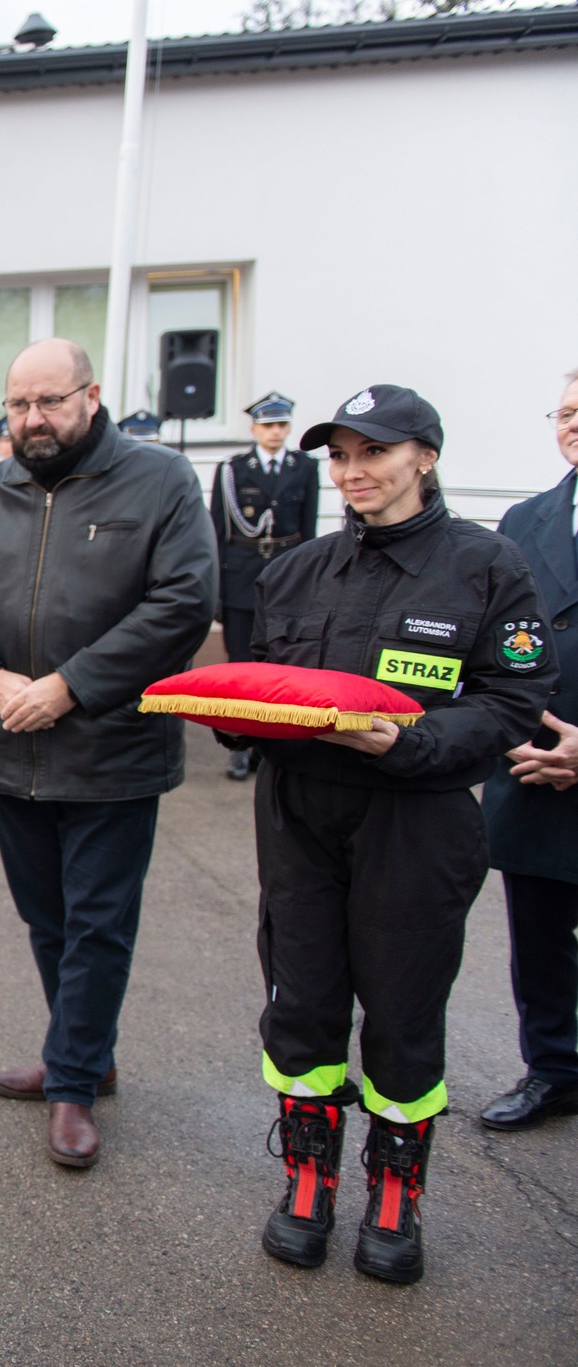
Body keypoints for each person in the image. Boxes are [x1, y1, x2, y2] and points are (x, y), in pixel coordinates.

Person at [245, 385, 555, 1284]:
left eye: (372, 453)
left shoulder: (488, 565)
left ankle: (395, 1191)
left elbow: (511, 701)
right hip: (299, 812)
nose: (352, 473)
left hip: (416, 818)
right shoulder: (295, 569)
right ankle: (308, 1179)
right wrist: (228, 716)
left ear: (425, 455)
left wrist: (412, 740)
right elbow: (261, 689)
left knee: (406, 1007)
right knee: (300, 1000)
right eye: (339, 457)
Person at [0, 337, 217, 1169]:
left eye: (50, 401)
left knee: (97, 923)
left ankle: (73, 1086)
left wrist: (70, 685)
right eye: (19, 404)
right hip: (11, 748)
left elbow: (183, 604)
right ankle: (82, 1051)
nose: (33, 419)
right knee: (46, 918)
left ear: (92, 396)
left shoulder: (160, 482)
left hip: (112, 748)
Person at [478, 370, 578, 1132]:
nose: (572, 423)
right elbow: (494, 637)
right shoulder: (525, 518)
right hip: (531, 763)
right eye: (565, 411)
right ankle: (554, 1068)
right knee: (538, 940)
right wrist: (503, 720)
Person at [209, 391, 320, 780]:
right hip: (242, 574)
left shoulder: (304, 467)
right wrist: (218, 592)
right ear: (254, 428)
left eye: (282, 425)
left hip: (288, 575)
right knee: (240, 661)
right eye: (269, 425)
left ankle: (270, 740)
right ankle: (241, 744)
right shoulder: (233, 469)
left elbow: (309, 529)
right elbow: (218, 533)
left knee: (278, 661)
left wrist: (310, 584)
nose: (276, 432)